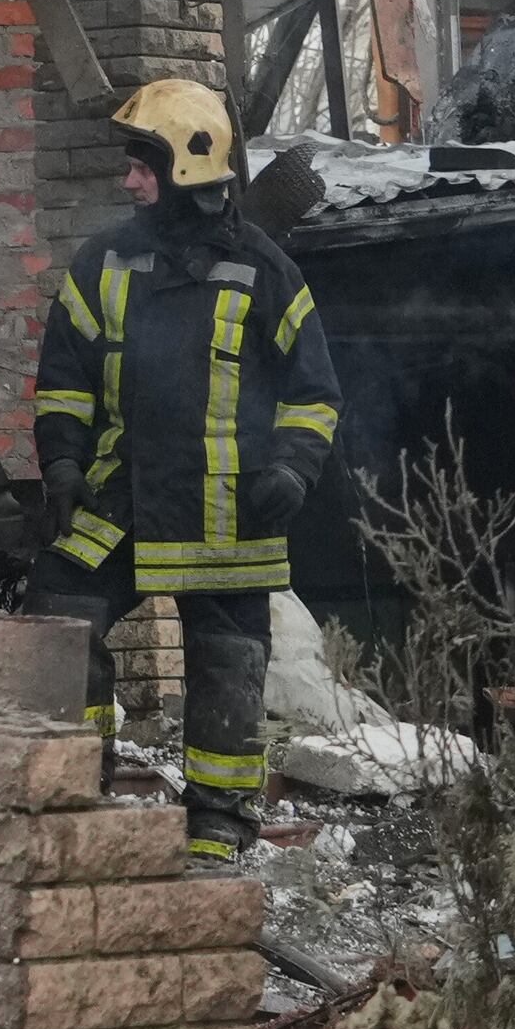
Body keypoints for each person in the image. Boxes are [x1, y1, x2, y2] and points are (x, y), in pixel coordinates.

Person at [24, 78, 342, 864]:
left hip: (229, 508)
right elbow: (63, 378)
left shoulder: (266, 270)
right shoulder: (102, 261)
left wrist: (294, 469)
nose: (130, 180)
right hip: (119, 494)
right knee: (58, 620)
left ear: (188, 166)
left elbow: (313, 393)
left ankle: (218, 827)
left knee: (227, 664)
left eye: (144, 165)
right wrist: (61, 460)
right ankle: (71, 791)